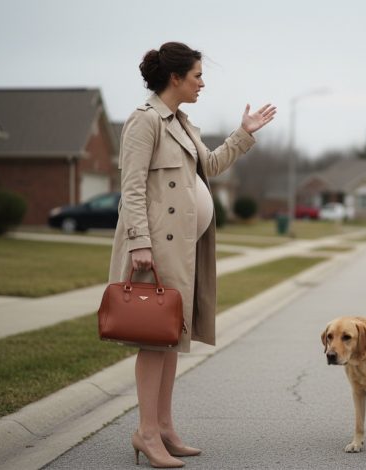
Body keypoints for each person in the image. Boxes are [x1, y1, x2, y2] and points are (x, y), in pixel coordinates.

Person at [108, 41, 276, 468]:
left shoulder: (181, 124)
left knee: (170, 340)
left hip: (183, 251)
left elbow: (213, 165)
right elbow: (130, 188)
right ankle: (145, 432)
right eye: (198, 75)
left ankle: (163, 428)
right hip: (154, 252)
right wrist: (139, 242)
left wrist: (244, 133)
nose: (203, 82)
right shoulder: (144, 122)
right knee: (153, 341)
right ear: (175, 78)